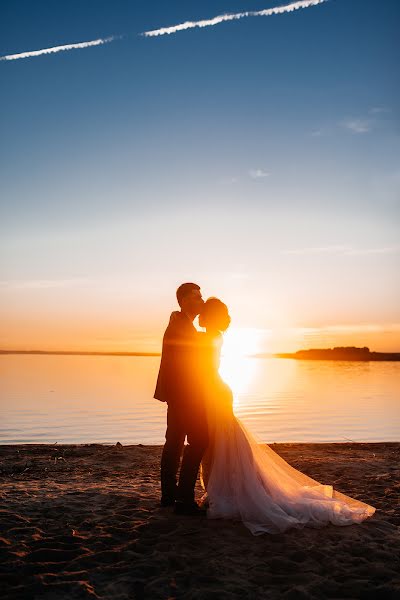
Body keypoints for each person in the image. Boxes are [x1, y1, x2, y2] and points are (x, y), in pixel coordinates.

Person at [198, 297, 376, 535]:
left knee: (220, 443)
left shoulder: (209, 338)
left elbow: (204, 370)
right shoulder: (213, 336)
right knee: (220, 443)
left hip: (214, 392)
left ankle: (223, 492)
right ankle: (221, 491)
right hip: (216, 391)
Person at [154, 282, 208, 515]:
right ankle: (183, 498)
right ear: (184, 300)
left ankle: (170, 495)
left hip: (180, 394)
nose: (202, 301)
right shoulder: (180, 325)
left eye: (201, 297)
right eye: (197, 297)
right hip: (186, 395)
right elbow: (188, 363)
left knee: (175, 442)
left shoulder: (181, 323)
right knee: (198, 441)